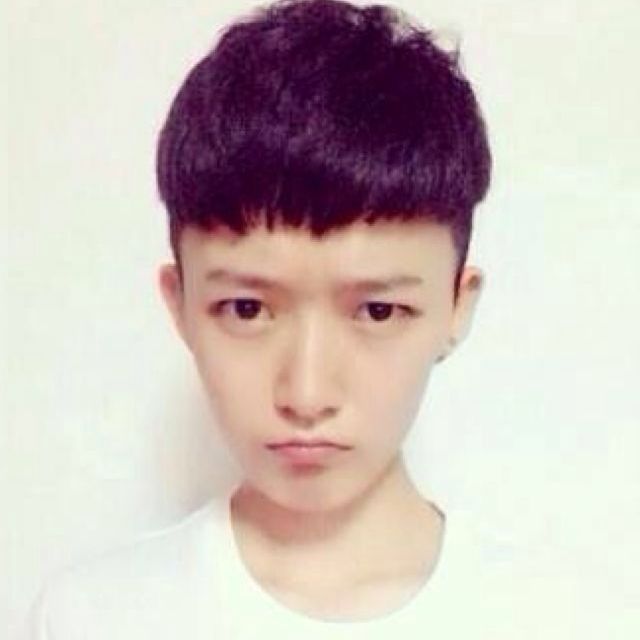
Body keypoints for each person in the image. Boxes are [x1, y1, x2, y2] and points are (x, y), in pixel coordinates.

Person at [26, 0, 562, 636]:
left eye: (378, 310)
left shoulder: (568, 619)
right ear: (180, 304)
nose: (307, 395)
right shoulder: (91, 618)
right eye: (246, 308)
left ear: (456, 305)